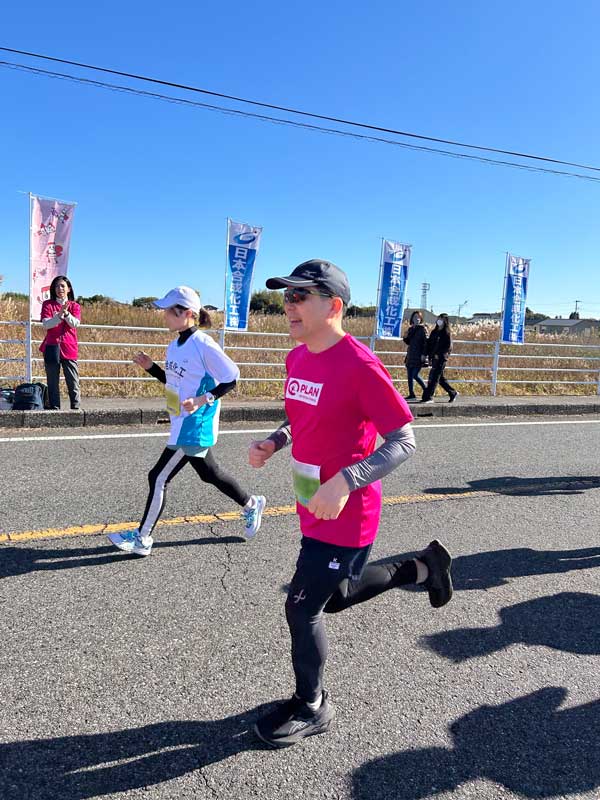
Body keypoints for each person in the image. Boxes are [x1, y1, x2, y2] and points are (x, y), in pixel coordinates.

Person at [248, 259, 453, 748]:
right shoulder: (297, 358)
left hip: (347, 511)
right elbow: (299, 416)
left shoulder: (360, 365)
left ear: (333, 306)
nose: (288, 305)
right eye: (286, 297)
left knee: (302, 607)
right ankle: (422, 567)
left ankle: (312, 705)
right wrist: (275, 441)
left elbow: (403, 440)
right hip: (311, 501)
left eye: (300, 296)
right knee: (335, 596)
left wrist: (345, 481)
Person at [108, 286, 266, 557]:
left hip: (195, 423)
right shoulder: (174, 346)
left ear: (187, 313)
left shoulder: (203, 344)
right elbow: (173, 382)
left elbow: (232, 377)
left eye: (170, 311)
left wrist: (203, 399)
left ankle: (142, 538)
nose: (165, 316)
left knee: (158, 476)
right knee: (209, 473)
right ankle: (251, 503)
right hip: (181, 420)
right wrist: (151, 368)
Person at [39, 275, 81, 410]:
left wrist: (66, 313)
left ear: (69, 289)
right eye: (56, 286)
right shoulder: (48, 304)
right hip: (51, 346)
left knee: (72, 380)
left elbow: (75, 324)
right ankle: (54, 408)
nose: (59, 288)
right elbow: (46, 324)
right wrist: (59, 316)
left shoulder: (74, 306)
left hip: (69, 346)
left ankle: (76, 408)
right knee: (52, 381)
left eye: (63, 286)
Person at [420, 313, 458, 404]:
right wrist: (427, 355)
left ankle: (429, 397)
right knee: (440, 378)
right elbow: (430, 344)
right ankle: (452, 392)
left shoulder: (447, 333)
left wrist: (440, 354)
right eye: (438, 318)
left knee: (434, 377)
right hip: (433, 358)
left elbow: (448, 347)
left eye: (441, 319)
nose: (439, 320)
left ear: (445, 321)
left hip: (441, 359)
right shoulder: (434, 332)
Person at [402, 310, 428, 401]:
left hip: (419, 355)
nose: (416, 319)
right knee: (409, 375)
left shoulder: (423, 329)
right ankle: (411, 394)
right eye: (414, 317)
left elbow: (426, 343)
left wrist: (424, 354)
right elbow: (409, 342)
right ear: (412, 319)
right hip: (410, 354)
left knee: (415, 375)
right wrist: (405, 337)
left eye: (418, 317)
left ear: (421, 319)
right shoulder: (411, 329)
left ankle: (427, 390)